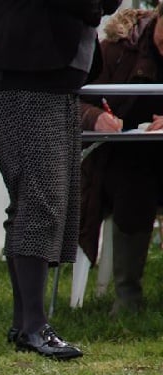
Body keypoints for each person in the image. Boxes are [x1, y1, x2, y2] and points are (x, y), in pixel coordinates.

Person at [0, 0, 119, 360]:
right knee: (40, 198)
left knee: (45, 199)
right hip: (17, 78)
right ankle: (34, 328)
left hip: (50, 80)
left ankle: (25, 325)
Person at [80, 5, 163, 315]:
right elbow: (73, 102)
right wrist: (96, 117)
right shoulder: (116, 48)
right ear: (158, 18)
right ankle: (127, 294)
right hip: (116, 162)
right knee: (134, 178)